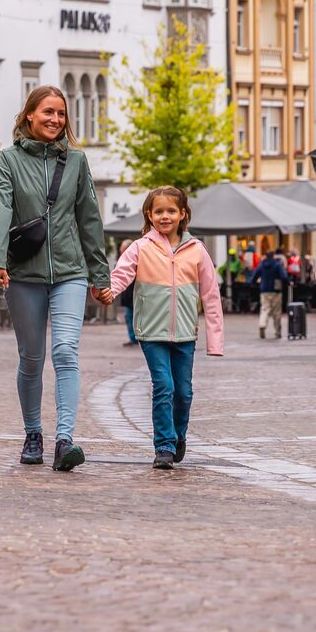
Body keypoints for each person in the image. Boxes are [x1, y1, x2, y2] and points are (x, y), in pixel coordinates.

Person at [0, 85, 109, 473]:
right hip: (24, 273)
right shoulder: (8, 159)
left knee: (66, 351)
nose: (55, 119)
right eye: (48, 112)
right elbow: (0, 209)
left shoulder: (76, 161)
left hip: (70, 271)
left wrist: (99, 273)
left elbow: (89, 218)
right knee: (32, 358)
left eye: (61, 113)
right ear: (30, 115)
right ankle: (33, 433)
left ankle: (64, 439)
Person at [97, 187, 224, 469]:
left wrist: (215, 341)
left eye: (171, 211)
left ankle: (179, 435)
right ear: (149, 215)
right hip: (151, 332)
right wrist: (109, 292)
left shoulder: (197, 250)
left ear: (183, 214)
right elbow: (121, 274)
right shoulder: (140, 247)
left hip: (185, 333)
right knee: (164, 386)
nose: (165, 216)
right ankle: (164, 445)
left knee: (184, 392)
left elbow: (211, 296)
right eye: (158, 211)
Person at [251, 248, 289, 339]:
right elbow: (284, 276)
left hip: (264, 290)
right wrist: (288, 282)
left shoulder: (262, 264)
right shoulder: (277, 265)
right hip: (276, 291)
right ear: (273, 256)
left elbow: (255, 276)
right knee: (276, 312)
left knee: (264, 309)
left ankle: (262, 324)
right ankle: (277, 332)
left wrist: (254, 283)